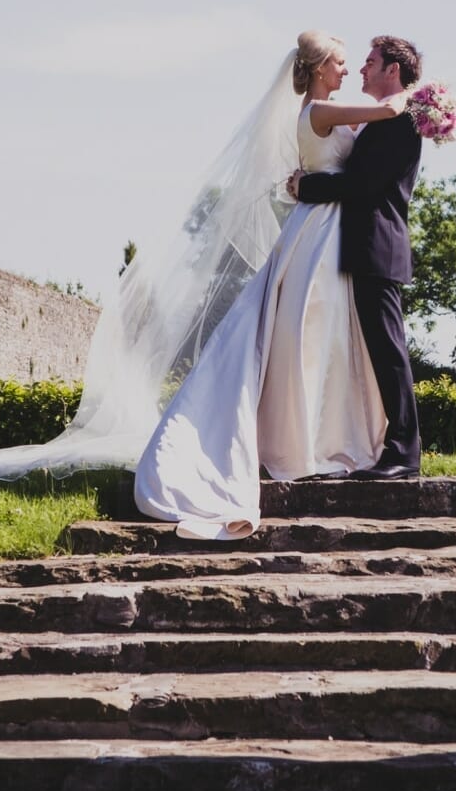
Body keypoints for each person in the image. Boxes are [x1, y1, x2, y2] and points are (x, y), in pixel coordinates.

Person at [133, 31, 409, 538]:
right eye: (342, 63)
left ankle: (323, 437)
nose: (349, 71)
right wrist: (423, 97)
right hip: (322, 231)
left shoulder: (324, 111)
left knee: (321, 335)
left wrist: (305, 182)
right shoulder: (321, 111)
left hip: (328, 228)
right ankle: (307, 443)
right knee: (311, 331)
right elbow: (388, 116)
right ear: (321, 67)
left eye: (356, 63)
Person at [288, 34, 424, 478]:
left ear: (392, 71)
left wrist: (306, 187)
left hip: (377, 246)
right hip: (358, 246)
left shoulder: (399, 119)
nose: (360, 70)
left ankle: (403, 453)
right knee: (377, 353)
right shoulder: (378, 120)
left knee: (389, 351)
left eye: (369, 62)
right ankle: (385, 446)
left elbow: (362, 184)